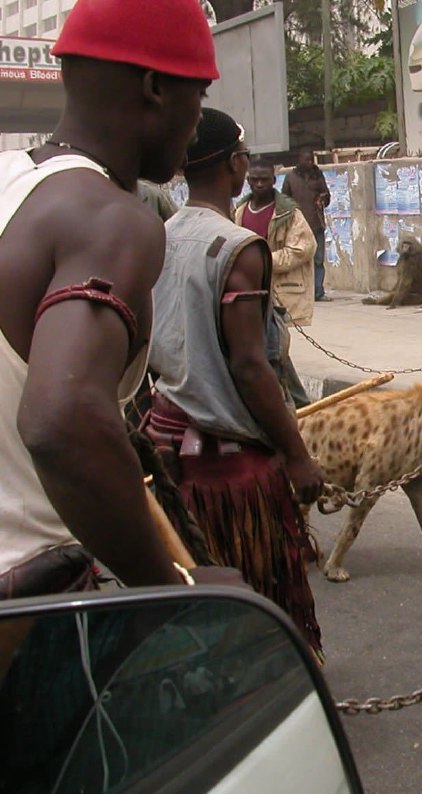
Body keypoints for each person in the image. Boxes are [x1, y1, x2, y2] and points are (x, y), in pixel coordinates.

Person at [0, 0, 243, 599]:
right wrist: (164, 589)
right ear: (158, 87)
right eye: (200, 94)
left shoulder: (11, 180)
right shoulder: (113, 221)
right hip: (31, 602)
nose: (198, 119)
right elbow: (62, 421)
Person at [144, 108, 326, 656]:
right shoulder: (237, 248)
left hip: (168, 446)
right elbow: (250, 365)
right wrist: (296, 455)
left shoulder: (160, 235)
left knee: (196, 598)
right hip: (230, 469)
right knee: (261, 594)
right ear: (237, 164)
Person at [235, 156, 315, 408]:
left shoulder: (289, 214)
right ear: (248, 180)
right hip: (248, 292)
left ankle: (301, 406)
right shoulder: (239, 211)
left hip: (279, 292)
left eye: (264, 180)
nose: (259, 185)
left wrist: (263, 261)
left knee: (274, 350)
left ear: (273, 180)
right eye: (254, 180)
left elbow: (304, 248)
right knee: (263, 351)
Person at [282, 147, 332, 301]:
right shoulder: (291, 178)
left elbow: (327, 196)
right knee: (300, 260)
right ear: (299, 160)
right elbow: (284, 200)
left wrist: (322, 199)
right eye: (306, 160)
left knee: (318, 259)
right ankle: (302, 291)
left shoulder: (318, 175)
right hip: (297, 226)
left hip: (316, 223)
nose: (309, 163)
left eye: (311, 160)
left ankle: (318, 292)